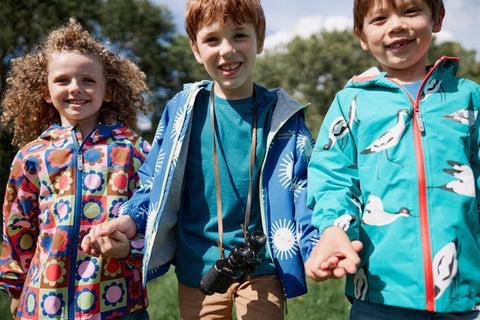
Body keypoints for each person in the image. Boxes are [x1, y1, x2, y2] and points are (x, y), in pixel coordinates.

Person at [82, 0, 318, 319]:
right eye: (212, 39)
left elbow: (305, 187)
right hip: (199, 268)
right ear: (195, 49)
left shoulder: (284, 116)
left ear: (260, 39)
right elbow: (156, 181)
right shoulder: (183, 110)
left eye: (239, 36)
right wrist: (129, 219)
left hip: (262, 265)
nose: (227, 50)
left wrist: (317, 245)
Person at [306, 0, 480, 318]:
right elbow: (333, 177)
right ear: (361, 34)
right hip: (379, 296)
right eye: (380, 18)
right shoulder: (351, 102)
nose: (396, 25)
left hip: (464, 296)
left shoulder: (467, 97)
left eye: (411, 11)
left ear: (437, 17)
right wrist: (334, 230)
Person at [0, 18, 153, 319]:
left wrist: (133, 249)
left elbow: (155, 215)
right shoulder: (32, 156)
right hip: (44, 303)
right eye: (62, 80)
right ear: (45, 91)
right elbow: (16, 227)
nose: (75, 88)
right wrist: (16, 287)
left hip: (119, 303)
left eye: (87, 80)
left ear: (108, 91)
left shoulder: (135, 150)